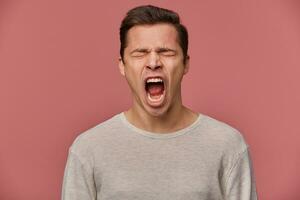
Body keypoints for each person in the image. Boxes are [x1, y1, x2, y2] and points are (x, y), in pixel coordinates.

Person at [61, 5, 258, 200]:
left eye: (166, 52)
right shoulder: (88, 150)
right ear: (122, 65)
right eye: (140, 52)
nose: (154, 62)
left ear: (185, 63)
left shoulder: (228, 146)